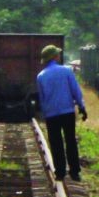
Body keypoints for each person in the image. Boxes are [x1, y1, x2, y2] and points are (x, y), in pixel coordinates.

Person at [36, 44, 87, 181]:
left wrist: (44, 112)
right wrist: (82, 107)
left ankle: (60, 172)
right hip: (67, 112)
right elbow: (75, 91)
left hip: (51, 114)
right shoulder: (67, 71)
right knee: (70, 140)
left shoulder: (41, 76)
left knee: (55, 142)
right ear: (55, 57)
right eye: (57, 54)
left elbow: (42, 98)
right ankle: (75, 172)